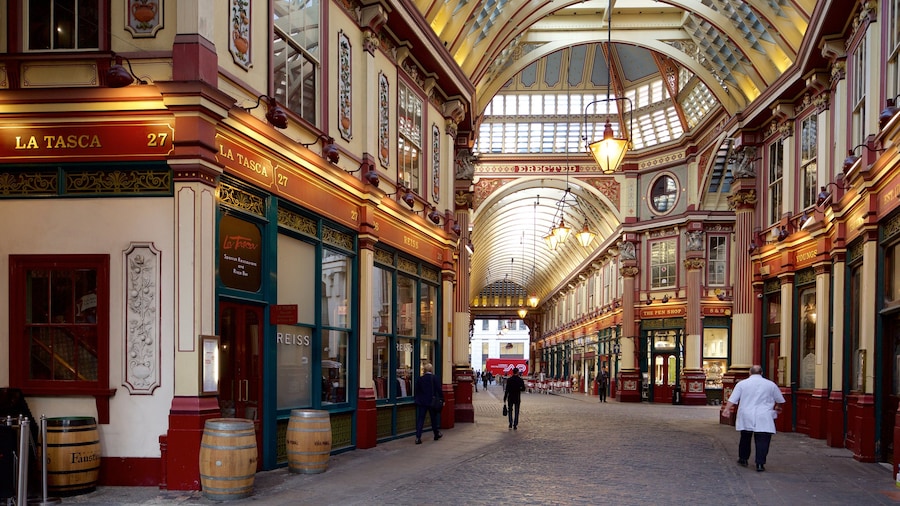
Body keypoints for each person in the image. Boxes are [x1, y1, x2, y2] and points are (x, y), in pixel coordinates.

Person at [722, 365, 785, 472]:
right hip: (764, 415)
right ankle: (760, 464)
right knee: (763, 440)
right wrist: (778, 407)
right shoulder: (770, 384)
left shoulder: (742, 384)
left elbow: (733, 398)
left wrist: (726, 409)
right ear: (762, 373)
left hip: (747, 414)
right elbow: (779, 399)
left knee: (745, 437)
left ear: (750, 373)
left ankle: (743, 458)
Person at [413, 363, 443, 444]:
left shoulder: (420, 379)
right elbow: (439, 390)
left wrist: (417, 400)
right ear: (431, 370)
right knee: (433, 419)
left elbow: (417, 391)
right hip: (431, 402)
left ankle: (418, 437)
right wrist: (442, 399)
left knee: (421, 419)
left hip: (422, 402)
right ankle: (436, 434)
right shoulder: (434, 378)